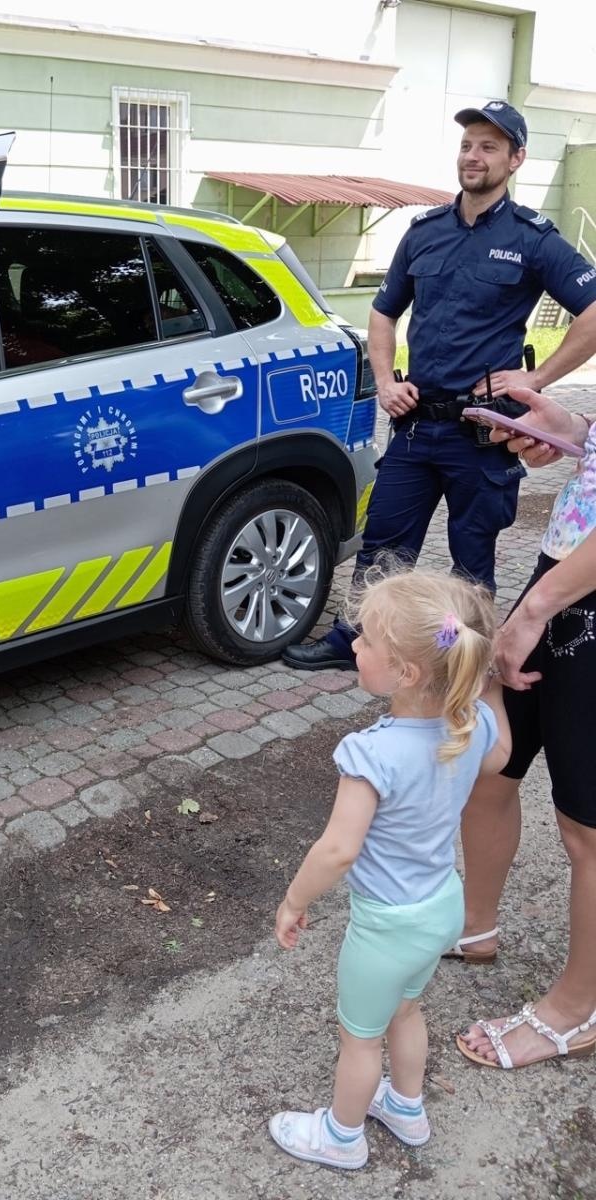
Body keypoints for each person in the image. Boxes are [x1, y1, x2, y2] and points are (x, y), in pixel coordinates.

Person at [283, 99, 596, 674]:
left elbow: (593, 310)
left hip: (483, 432)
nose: (473, 156)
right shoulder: (423, 233)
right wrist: (384, 381)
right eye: (467, 145)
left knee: (470, 559)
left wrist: (539, 377)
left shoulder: (533, 239)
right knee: (383, 546)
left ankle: (459, 659)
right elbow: (383, 314)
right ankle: (354, 641)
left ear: (516, 158)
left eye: (489, 146)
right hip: (416, 425)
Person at [269, 569, 510, 1170]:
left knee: (359, 1035)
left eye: (365, 640)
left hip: (386, 927)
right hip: (441, 908)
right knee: (406, 1008)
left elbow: (336, 850)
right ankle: (405, 1107)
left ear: (403, 673)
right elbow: (501, 755)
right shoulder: (472, 724)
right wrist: (486, 690)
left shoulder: (370, 754)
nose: (353, 645)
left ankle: (341, 1137)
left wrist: (294, 901)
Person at [453, 385, 596, 1069]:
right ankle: (477, 927)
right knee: (491, 759)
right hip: (567, 566)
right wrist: (577, 431)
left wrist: (535, 606)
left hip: (564, 592)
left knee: (587, 830)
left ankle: (578, 1010)